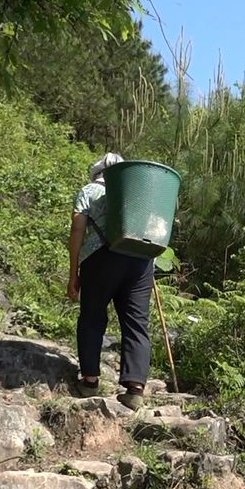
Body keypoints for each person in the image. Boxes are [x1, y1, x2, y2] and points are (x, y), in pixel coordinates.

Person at [67, 152, 153, 411]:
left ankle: (90, 381)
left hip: (100, 258)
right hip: (141, 260)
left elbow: (77, 228)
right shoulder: (139, 191)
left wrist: (74, 272)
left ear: (97, 172)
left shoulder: (89, 191)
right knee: (137, 323)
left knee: (92, 316)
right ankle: (135, 389)